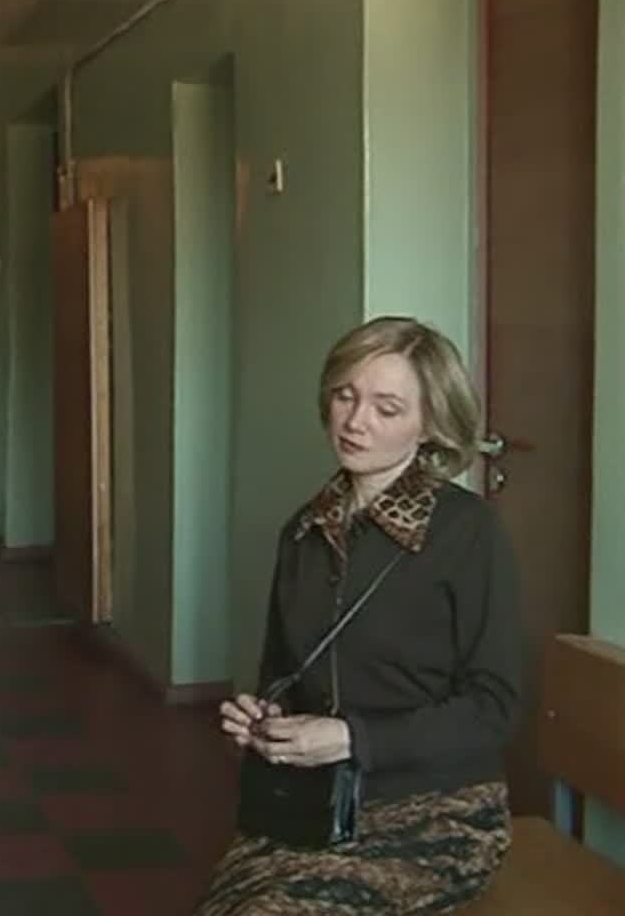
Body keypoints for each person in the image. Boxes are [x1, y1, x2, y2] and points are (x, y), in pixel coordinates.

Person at [197, 316, 524, 916]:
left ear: (429, 424)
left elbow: (495, 707)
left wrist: (351, 738)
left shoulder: (468, 532)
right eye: (345, 396)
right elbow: (282, 675)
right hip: (316, 800)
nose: (355, 421)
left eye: (387, 407)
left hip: (439, 809)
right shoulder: (303, 532)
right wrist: (263, 720)